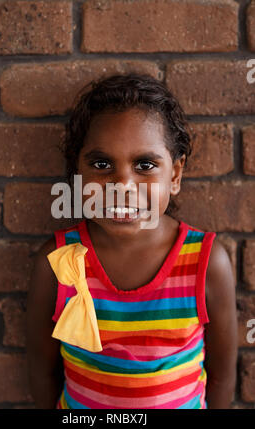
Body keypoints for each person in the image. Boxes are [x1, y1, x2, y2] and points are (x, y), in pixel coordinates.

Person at [26, 73, 237, 409]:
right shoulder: (59, 262)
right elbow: (40, 368)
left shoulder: (207, 262)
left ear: (175, 175)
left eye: (144, 165)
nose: (122, 184)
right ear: (77, 175)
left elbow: (223, 375)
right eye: (101, 164)